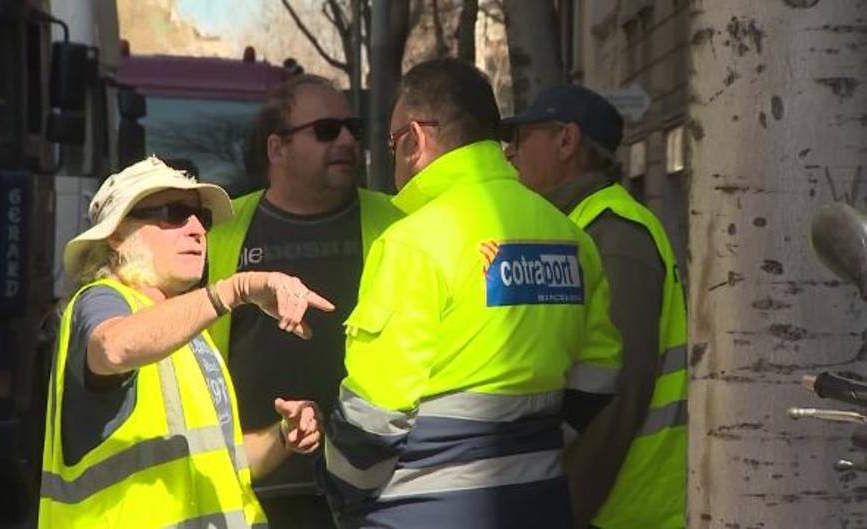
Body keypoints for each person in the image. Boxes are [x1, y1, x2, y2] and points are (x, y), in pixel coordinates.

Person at [319, 58, 623, 529]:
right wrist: (531, 449)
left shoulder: (412, 244)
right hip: (540, 503)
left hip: (420, 514)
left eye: (395, 142)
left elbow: (372, 420)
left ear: (416, 140)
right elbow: (600, 374)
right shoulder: (570, 238)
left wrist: (339, 494)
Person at [38, 157, 333, 529]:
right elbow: (112, 347)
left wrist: (283, 436)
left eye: (201, 218)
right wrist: (234, 289)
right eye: (174, 213)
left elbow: (221, 462)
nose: (197, 229)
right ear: (116, 235)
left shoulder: (190, 334)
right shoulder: (102, 299)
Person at [206, 74, 402, 528]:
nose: (348, 140)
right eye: (327, 130)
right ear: (277, 150)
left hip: (375, 489)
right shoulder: (224, 231)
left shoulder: (398, 223)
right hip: (251, 487)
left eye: (351, 127)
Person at [503, 84, 688, 529]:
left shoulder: (615, 235)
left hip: (626, 512)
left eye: (523, 138)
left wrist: (560, 510)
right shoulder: (577, 229)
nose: (510, 152)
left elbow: (617, 398)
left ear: (566, 141)